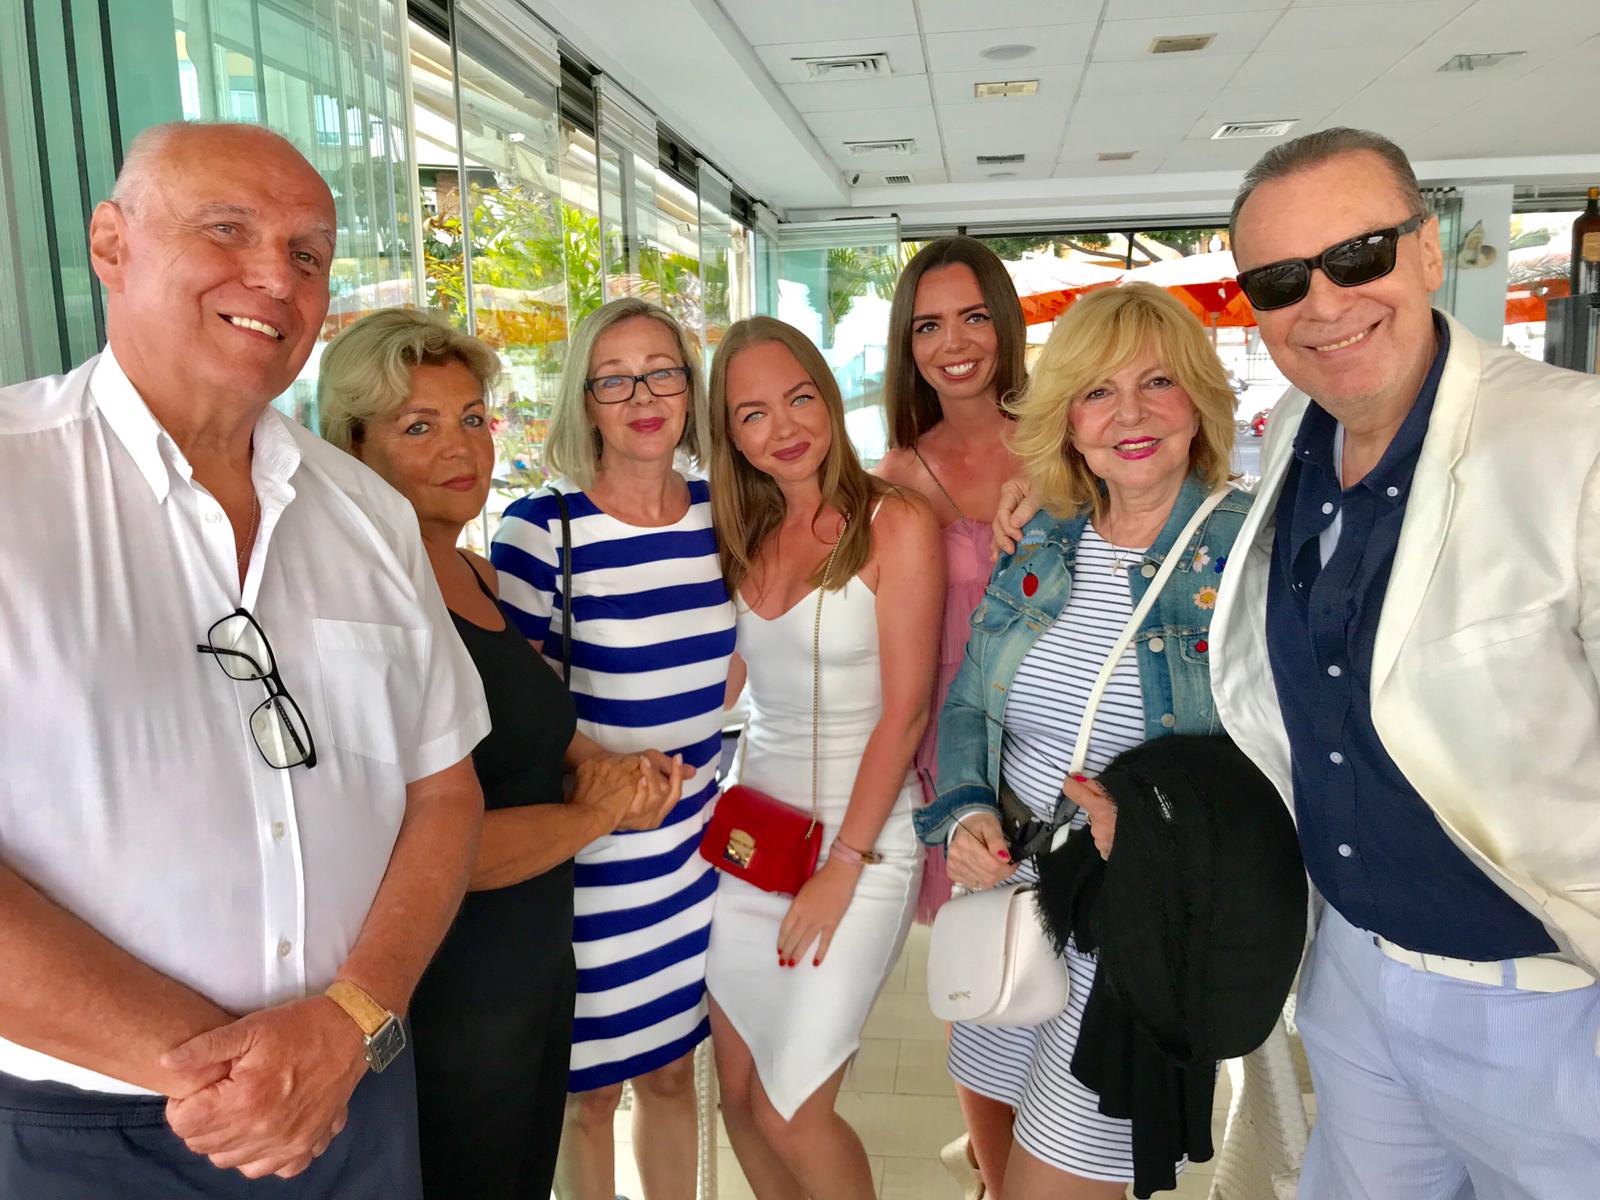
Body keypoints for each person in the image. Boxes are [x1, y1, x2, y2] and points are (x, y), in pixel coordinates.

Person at [0, 122, 489, 1198]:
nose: (275, 277)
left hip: (351, 1094)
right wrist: (230, 1078)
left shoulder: (367, 514)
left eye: (308, 254)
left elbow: (444, 792)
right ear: (111, 244)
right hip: (80, 1134)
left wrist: (348, 1024)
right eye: (227, 230)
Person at [1206, 127, 1600, 1199]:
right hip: (1354, 977)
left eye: (1358, 255)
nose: (1323, 302)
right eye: (1281, 280)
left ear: (1428, 249)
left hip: (1547, 1009)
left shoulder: (1572, 443)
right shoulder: (1298, 433)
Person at [316, 308, 691, 1200]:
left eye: (472, 418)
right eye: (418, 426)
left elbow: (535, 734)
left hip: (535, 967)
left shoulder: (474, 574)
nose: (461, 447)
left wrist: (610, 767)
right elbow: (429, 847)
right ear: (353, 446)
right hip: (448, 991)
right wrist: (597, 812)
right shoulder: (359, 599)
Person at [924, 282, 1250, 1200]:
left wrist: (1163, 827)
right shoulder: (1044, 538)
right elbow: (971, 703)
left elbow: (1280, 758)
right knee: (998, 1161)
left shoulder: (1247, 550)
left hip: (1132, 927)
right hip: (1016, 905)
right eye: (1098, 392)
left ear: (1200, 399)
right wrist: (965, 812)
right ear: (1067, 419)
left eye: (1158, 382)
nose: (1130, 414)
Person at [489, 297, 735, 1200]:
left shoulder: (720, 512)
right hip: (591, 857)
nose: (643, 397)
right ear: (584, 400)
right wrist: (603, 771)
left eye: (662, 373)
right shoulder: (541, 528)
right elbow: (512, 711)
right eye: (615, 379)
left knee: (671, 1072)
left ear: (689, 388)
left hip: (692, 851)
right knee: (585, 1095)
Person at [703, 315, 942, 1200]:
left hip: (860, 847)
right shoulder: (739, 534)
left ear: (831, 398)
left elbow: (906, 713)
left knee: (792, 1111)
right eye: (753, 413)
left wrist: (844, 864)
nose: (785, 427)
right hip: (751, 844)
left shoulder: (894, 521)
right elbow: (720, 691)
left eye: (799, 397)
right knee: (736, 1096)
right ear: (730, 435)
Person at [876, 236, 1025, 918]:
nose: (953, 343)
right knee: (977, 944)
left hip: (1056, 725)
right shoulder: (894, 477)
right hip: (947, 739)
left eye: (974, 316)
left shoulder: (1068, 446)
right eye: (927, 326)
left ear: (1004, 322)